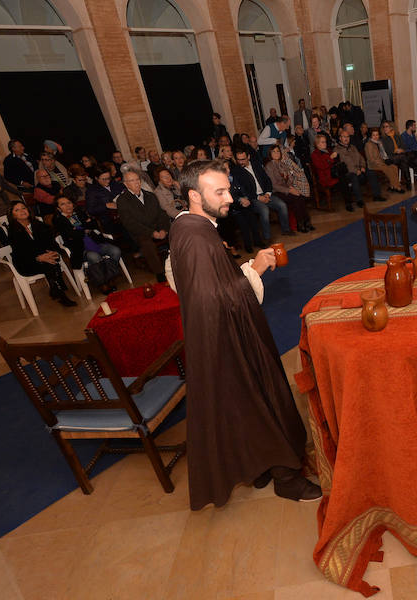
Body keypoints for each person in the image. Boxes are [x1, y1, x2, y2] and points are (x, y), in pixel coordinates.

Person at [169, 160, 322, 508]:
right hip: (227, 338)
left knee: (244, 407)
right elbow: (214, 298)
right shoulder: (195, 237)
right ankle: (286, 477)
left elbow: (207, 285)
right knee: (261, 397)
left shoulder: (191, 226)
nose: (228, 198)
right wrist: (255, 269)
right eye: (219, 192)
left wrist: (242, 271)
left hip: (218, 336)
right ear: (194, 195)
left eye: (228, 189)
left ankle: (262, 466)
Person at [5, 200, 77, 306]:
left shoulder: (38, 224)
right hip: (26, 262)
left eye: (23, 208)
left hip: (46, 256)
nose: (22, 211)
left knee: (50, 260)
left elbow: (51, 242)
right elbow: (21, 252)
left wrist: (52, 252)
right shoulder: (12, 231)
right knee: (49, 263)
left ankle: (56, 289)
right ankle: (58, 291)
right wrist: (38, 258)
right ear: (13, 215)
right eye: (17, 210)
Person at [54, 196, 121, 294]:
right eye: (62, 204)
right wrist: (84, 228)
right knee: (94, 256)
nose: (67, 205)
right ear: (58, 208)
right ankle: (103, 283)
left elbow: (94, 225)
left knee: (115, 251)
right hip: (79, 248)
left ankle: (109, 277)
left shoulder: (80, 213)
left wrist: (79, 229)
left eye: (69, 202)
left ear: (73, 204)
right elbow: (70, 234)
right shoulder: (58, 220)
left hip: (95, 242)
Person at [232, 148, 294, 242]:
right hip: (253, 198)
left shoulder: (256, 165)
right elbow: (244, 190)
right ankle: (267, 237)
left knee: (282, 205)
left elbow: (267, 180)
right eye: (238, 159)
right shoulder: (237, 171)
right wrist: (258, 197)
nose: (241, 162)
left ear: (248, 157)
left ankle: (286, 229)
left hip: (266, 194)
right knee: (264, 210)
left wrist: (268, 194)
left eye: (243, 159)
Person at [117, 170, 170, 282]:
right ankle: (160, 273)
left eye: (137, 180)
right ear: (126, 184)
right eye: (132, 181)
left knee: (176, 232)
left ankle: (179, 264)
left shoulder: (150, 195)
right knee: (147, 243)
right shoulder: (122, 200)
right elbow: (130, 223)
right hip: (140, 232)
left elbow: (161, 214)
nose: (136, 183)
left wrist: (163, 230)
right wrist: (152, 233)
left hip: (156, 227)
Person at [264, 145, 314, 233]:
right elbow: (274, 185)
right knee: (296, 198)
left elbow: (288, 179)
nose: (276, 153)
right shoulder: (269, 166)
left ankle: (306, 222)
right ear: (270, 154)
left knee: (300, 196)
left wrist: (291, 186)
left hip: (287, 188)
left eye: (278, 151)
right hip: (277, 191)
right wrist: (289, 190)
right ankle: (300, 224)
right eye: (274, 152)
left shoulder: (282, 164)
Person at [335, 129, 385, 206]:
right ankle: (359, 200)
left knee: (371, 172)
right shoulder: (337, 150)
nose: (346, 138)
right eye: (344, 137)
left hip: (359, 169)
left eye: (348, 136)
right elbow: (345, 164)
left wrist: (362, 166)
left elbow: (361, 158)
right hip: (348, 172)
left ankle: (377, 195)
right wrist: (356, 170)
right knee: (354, 176)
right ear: (340, 138)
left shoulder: (353, 147)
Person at [311, 133, 351, 210]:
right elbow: (322, 166)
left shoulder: (328, 150)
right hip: (325, 176)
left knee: (344, 176)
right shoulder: (315, 154)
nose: (325, 143)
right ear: (317, 144)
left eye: (325, 141)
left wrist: (335, 157)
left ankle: (348, 201)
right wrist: (330, 158)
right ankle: (348, 202)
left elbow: (336, 162)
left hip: (334, 173)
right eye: (322, 142)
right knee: (343, 179)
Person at [365, 127, 403, 193]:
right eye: (373, 135)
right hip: (373, 164)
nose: (375, 137)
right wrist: (381, 163)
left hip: (381, 162)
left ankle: (392, 186)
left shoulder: (379, 142)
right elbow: (371, 159)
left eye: (377, 135)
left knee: (394, 167)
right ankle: (397, 186)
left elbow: (383, 154)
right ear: (370, 136)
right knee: (388, 169)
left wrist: (384, 161)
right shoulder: (368, 144)